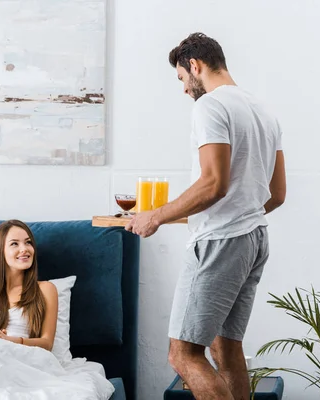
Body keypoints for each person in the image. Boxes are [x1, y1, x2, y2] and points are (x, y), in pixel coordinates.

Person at [125, 32, 287, 400]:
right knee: (225, 349)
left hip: (221, 241)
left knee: (183, 355)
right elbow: (276, 195)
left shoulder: (210, 106)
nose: (184, 89)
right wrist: (236, 212)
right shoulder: (264, 110)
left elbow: (213, 183)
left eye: (182, 78)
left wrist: (156, 216)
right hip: (254, 239)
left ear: (194, 65)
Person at [0, 219, 58, 351]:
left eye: (28, 242)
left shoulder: (46, 289)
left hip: (27, 360)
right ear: (0, 251)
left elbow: (47, 344)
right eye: (14, 243)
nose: (24, 249)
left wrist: (8, 341)